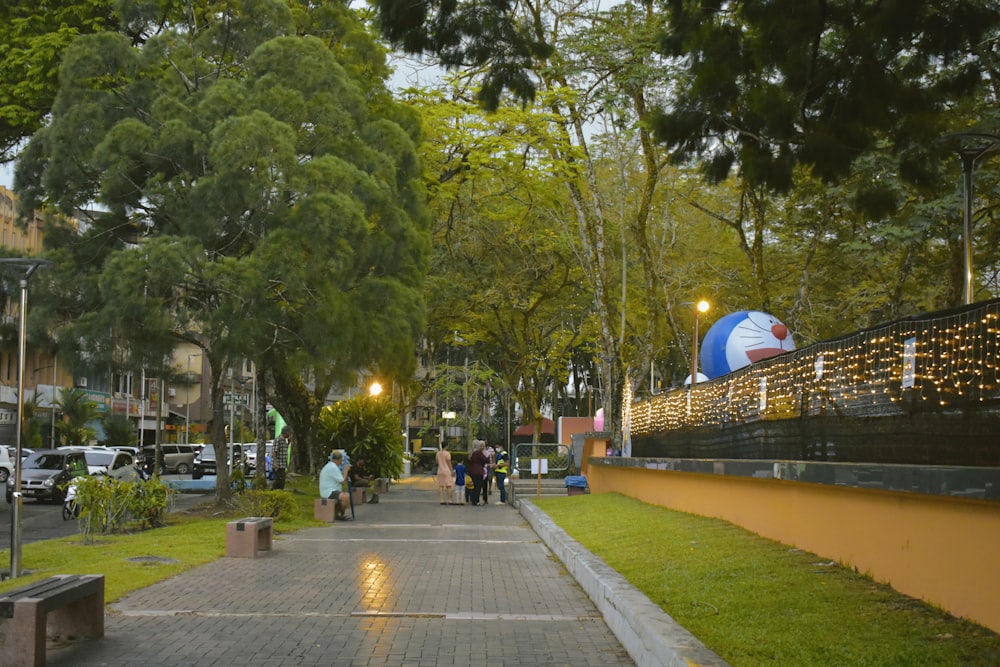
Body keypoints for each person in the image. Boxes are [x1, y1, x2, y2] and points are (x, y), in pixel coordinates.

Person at [319, 451, 349, 520]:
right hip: (329, 491)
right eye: (341, 460)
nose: (341, 463)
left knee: (343, 495)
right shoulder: (333, 467)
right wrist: (346, 471)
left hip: (331, 490)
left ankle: (336, 515)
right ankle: (342, 515)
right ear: (338, 460)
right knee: (345, 496)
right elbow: (342, 481)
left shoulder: (331, 466)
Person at [466, 440, 489, 506]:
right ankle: (475, 501)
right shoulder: (478, 452)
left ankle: (473, 500)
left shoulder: (471, 453)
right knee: (478, 487)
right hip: (478, 471)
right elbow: (485, 460)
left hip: (472, 471)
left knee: (474, 486)